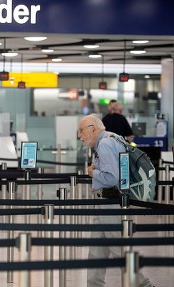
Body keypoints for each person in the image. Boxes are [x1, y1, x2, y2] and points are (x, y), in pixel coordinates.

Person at [78, 114, 153, 287]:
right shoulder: (114, 138)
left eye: (81, 131)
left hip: (109, 202)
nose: (79, 135)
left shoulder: (104, 144)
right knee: (96, 252)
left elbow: (112, 177)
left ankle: (144, 285)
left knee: (119, 251)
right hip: (107, 202)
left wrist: (92, 173)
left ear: (93, 129)